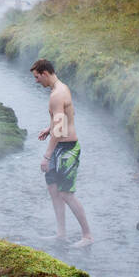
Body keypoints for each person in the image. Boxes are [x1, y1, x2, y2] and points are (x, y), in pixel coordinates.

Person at [31, 58, 92, 247]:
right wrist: (48, 129)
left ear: (45, 73)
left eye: (37, 77)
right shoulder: (59, 89)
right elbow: (61, 120)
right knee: (53, 189)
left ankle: (87, 236)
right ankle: (61, 234)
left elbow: (60, 127)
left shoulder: (57, 94)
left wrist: (46, 156)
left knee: (66, 193)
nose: (36, 81)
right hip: (59, 146)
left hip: (67, 149)